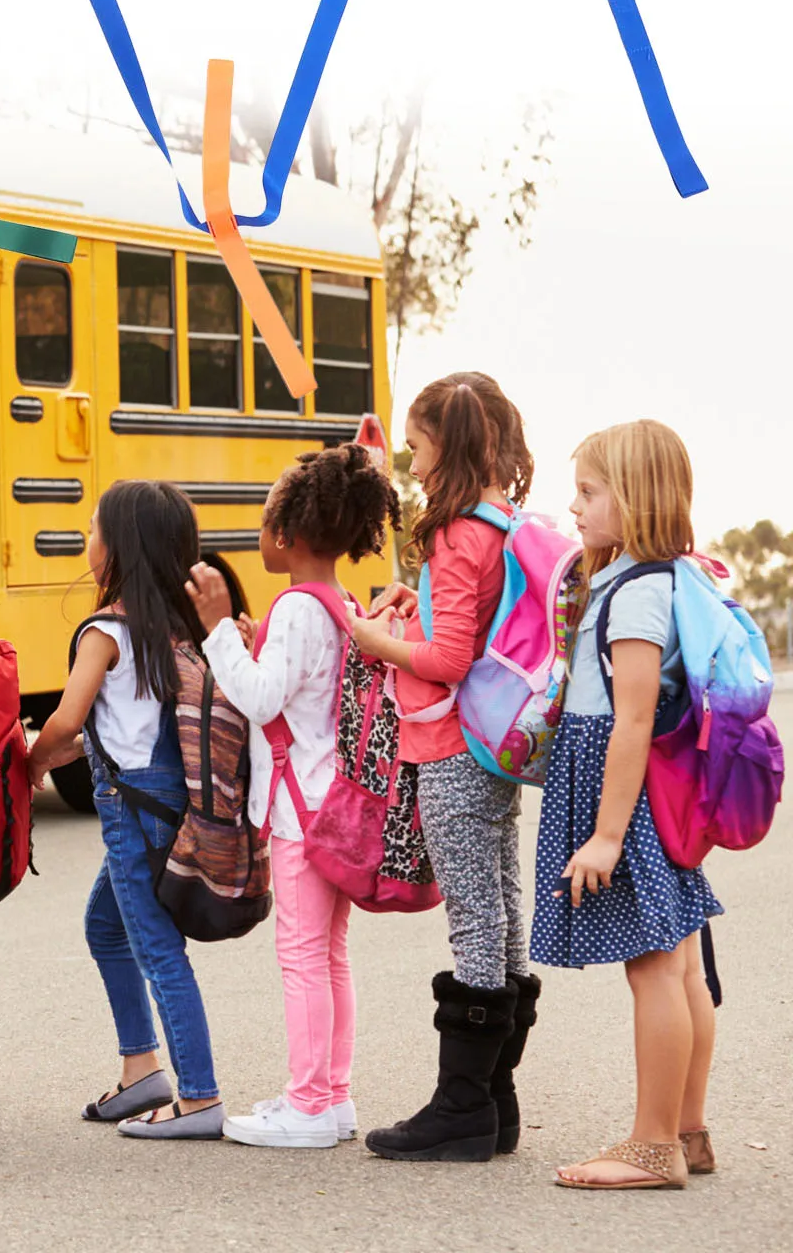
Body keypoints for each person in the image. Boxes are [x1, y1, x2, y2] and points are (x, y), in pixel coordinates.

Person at [345, 372, 541, 1162]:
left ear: (447, 444)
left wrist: (372, 638)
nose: (413, 464)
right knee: (498, 904)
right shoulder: (501, 522)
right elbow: (467, 622)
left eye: (419, 447)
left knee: (474, 915)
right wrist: (416, 600)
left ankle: (463, 1105)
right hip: (493, 745)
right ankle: (496, 1098)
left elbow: (448, 658)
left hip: (452, 746)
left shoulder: (459, 534)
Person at [187, 445, 401, 1149]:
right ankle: (332, 1096)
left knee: (302, 954)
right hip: (333, 803)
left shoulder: (293, 608)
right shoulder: (339, 603)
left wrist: (220, 628)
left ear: (286, 535)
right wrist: (250, 644)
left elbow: (259, 696)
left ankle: (308, 1103)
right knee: (330, 953)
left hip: (298, 809)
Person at [534, 421, 720, 1190]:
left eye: (588, 491)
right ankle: (687, 1129)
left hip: (626, 798)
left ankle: (652, 1147)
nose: (573, 506)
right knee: (679, 965)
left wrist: (607, 835)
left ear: (635, 497)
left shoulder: (640, 591)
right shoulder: (656, 576)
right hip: (649, 795)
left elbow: (632, 717)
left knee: (654, 967)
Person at [27, 480, 226, 1140]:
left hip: (133, 809)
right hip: (171, 799)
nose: (87, 542)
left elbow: (65, 718)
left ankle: (199, 1097)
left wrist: (33, 762)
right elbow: (126, 724)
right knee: (106, 927)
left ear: (118, 549)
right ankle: (142, 1071)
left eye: (93, 530)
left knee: (157, 948)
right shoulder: (179, 629)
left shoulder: (105, 629)